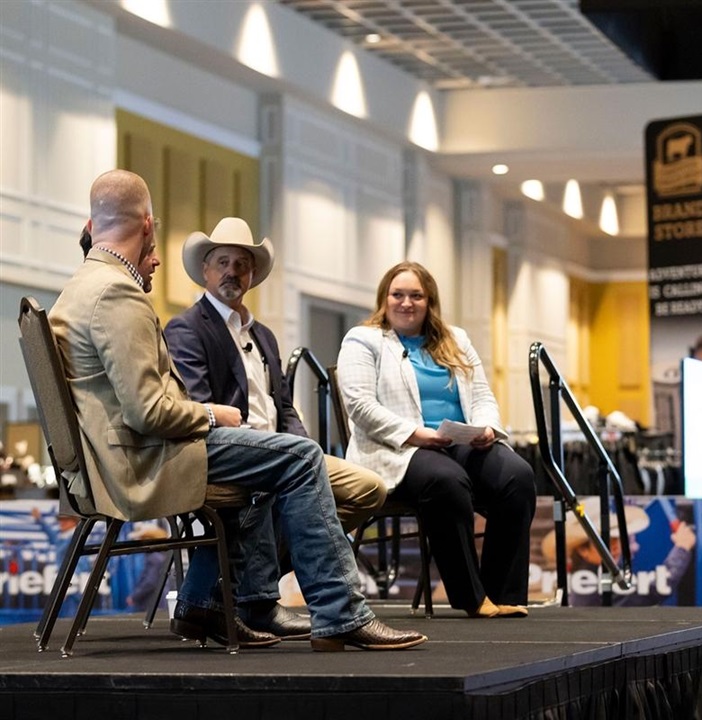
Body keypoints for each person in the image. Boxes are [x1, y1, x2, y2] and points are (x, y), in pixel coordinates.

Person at [47, 169, 426, 652]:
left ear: (91, 222)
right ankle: (340, 614)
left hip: (119, 458)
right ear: (148, 224)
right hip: (143, 462)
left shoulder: (82, 286)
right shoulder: (117, 291)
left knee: (281, 461)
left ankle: (211, 603)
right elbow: (147, 413)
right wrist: (210, 415)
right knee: (300, 459)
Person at [163, 217, 387, 640]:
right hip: (229, 452)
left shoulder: (263, 334)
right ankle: (268, 602)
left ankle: (247, 589)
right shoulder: (186, 328)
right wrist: (284, 453)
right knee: (283, 478)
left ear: (252, 275)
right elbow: (195, 403)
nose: (233, 271)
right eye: (223, 262)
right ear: (206, 271)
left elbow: (284, 406)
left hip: (284, 453)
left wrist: (303, 447)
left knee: (368, 488)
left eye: (242, 264)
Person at [336, 261, 537, 618]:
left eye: (417, 295)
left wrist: (487, 427)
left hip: (458, 442)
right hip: (396, 449)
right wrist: (415, 433)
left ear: (430, 302)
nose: (406, 303)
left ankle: (503, 593)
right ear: (384, 298)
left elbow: (482, 396)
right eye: (398, 294)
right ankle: (472, 598)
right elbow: (360, 406)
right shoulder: (362, 340)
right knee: (446, 481)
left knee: (516, 477)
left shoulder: (456, 339)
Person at [541, 497, 696, 606]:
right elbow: (654, 590)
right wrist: (682, 548)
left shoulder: (590, 577)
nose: (615, 547)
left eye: (616, 539)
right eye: (606, 540)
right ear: (583, 550)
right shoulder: (587, 586)